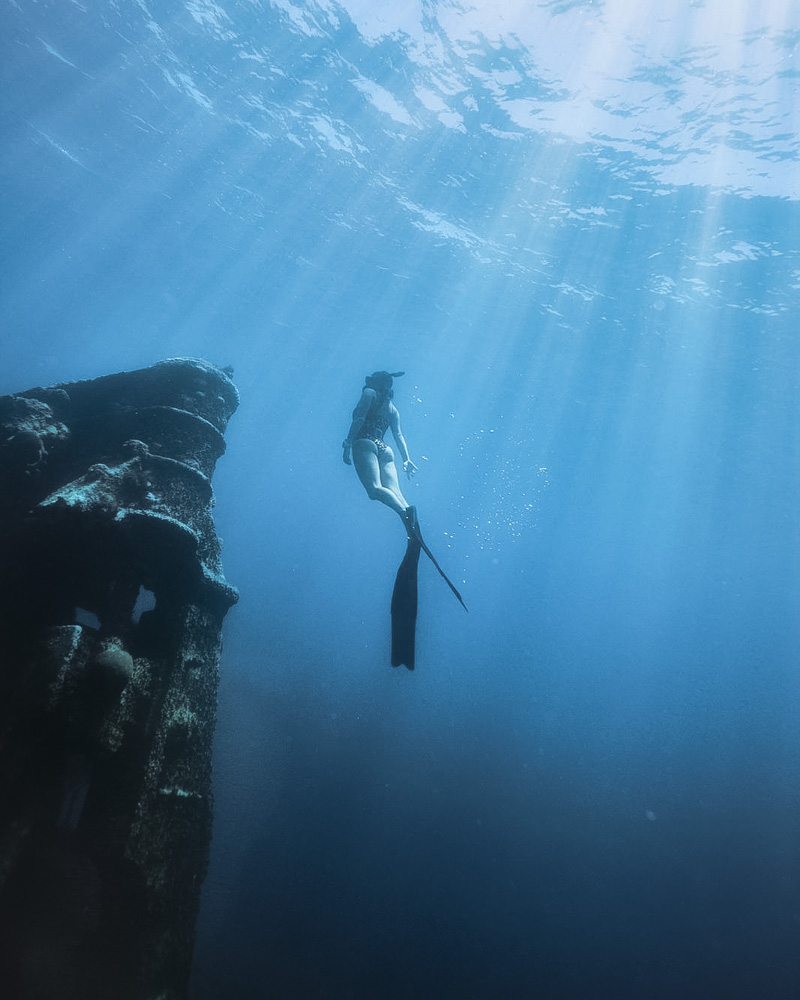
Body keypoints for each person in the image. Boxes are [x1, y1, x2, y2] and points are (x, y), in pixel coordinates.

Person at [342, 370, 419, 534]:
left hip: (364, 441)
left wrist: (348, 442)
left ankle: (405, 515)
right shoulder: (392, 409)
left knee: (374, 489)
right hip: (385, 449)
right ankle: (411, 523)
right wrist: (406, 459)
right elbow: (398, 435)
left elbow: (360, 418)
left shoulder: (369, 393)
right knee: (394, 491)